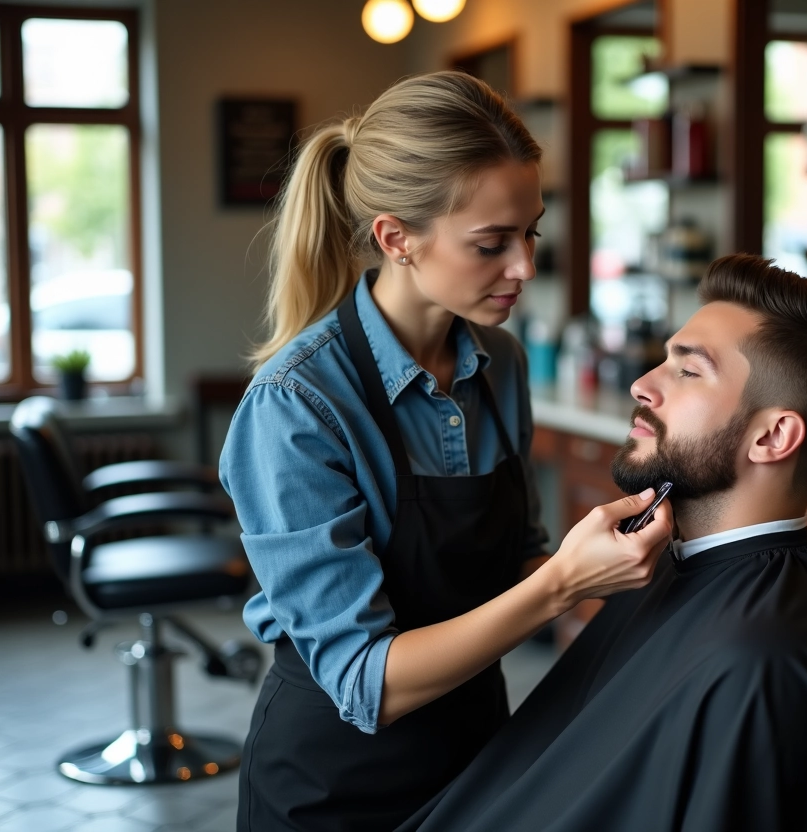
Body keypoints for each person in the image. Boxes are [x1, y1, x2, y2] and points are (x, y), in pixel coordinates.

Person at [219, 71, 674, 832]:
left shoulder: (503, 365)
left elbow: (511, 561)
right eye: (492, 244)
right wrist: (562, 584)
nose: (525, 267)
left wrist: (614, 562)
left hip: (476, 761)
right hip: (333, 789)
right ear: (396, 238)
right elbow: (365, 682)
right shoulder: (296, 406)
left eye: (531, 232)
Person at [399, 254, 807, 832]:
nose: (641, 384)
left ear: (773, 435)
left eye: (688, 371)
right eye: (664, 360)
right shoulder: (668, 574)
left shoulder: (764, 658)